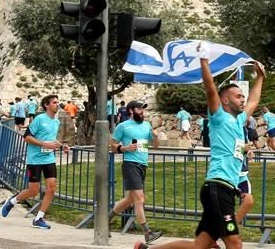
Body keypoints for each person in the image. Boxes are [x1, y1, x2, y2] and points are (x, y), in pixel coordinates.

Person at [135, 44, 265, 249]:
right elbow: (210, 89)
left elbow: (254, 101)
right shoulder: (219, 117)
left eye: (243, 96)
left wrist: (260, 78)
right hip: (218, 189)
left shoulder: (239, 120)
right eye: (238, 96)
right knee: (235, 242)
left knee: (199, 246)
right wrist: (204, 60)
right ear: (225, 101)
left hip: (222, 191)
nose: (243, 99)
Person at [0, 94, 69, 229]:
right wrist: (44, 144)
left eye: (57, 102)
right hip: (34, 160)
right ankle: (12, 201)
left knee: (51, 188)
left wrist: (61, 146)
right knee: (33, 191)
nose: (57, 105)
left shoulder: (56, 121)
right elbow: (27, 137)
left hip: (49, 159)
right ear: (46, 105)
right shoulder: (39, 119)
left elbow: (51, 139)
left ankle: (39, 218)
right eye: (54, 102)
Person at [110, 100, 163, 242]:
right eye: (139, 109)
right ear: (131, 110)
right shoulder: (123, 126)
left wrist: (156, 136)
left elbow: (155, 146)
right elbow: (112, 145)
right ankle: (147, 233)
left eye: (143, 109)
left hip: (143, 165)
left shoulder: (147, 125)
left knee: (129, 199)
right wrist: (125, 148)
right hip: (130, 164)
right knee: (140, 198)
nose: (142, 111)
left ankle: (105, 221)